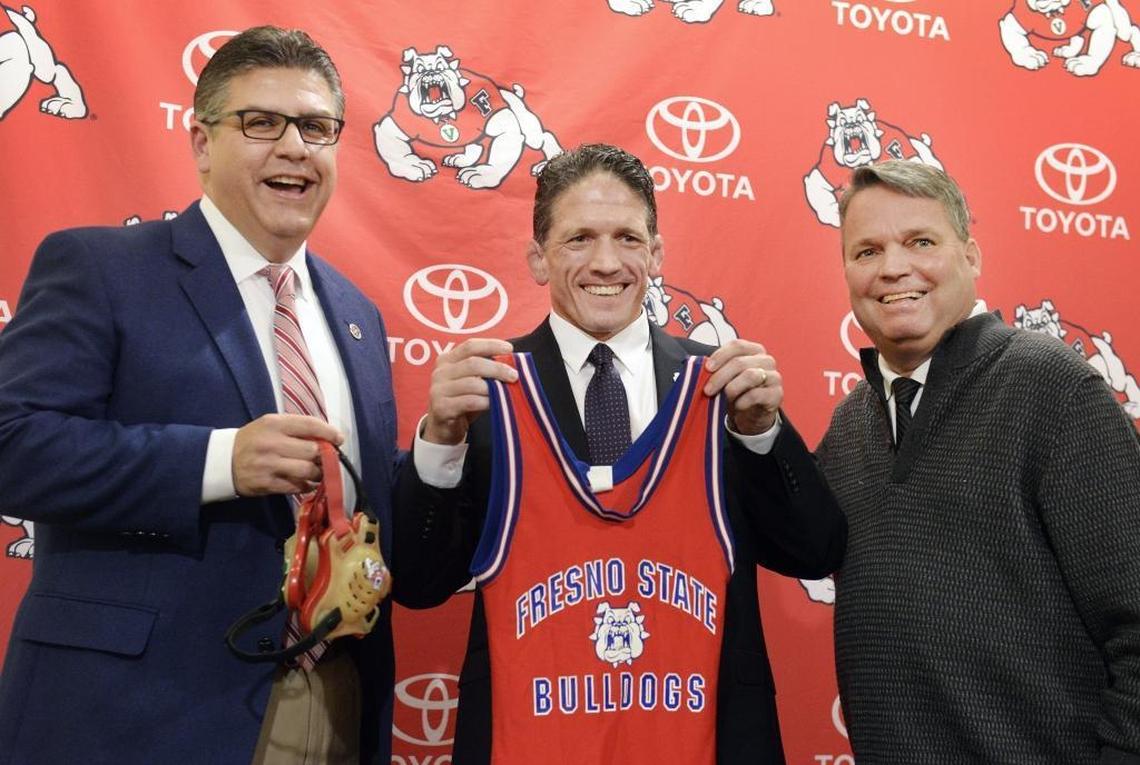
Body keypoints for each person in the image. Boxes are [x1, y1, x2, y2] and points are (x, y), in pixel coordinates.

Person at [0, 26, 404, 763]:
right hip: (135, 717)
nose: (293, 146)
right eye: (261, 122)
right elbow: (12, 445)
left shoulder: (358, 314)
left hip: (334, 705)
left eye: (316, 127)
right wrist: (220, 461)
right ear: (201, 142)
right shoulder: (100, 267)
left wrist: (439, 447)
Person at [391, 143, 846, 763]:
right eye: (579, 239)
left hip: (707, 735)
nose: (607, 262)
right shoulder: (487, 395)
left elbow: (815, 551)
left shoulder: (719, 389)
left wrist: (762, 433)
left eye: (628, 239)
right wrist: (440, 441)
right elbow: (417, 584)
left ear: (656, 254)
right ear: (538, 258)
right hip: (531, 735)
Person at [818, 159, 1140, 762]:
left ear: (971, 256)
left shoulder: (1053, 390)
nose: (893, 268)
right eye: (867, 251)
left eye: (920, 242)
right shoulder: (849, 425)